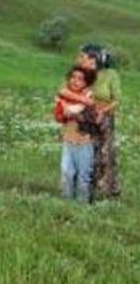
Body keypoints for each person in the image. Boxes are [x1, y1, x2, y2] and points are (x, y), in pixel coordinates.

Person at [62, 45, 122, 200]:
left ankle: (103, 193)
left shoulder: (110, 74)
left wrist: (102, 111)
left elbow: (116, 101)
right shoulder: (80, 73)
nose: (79, 59)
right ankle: (79, 193)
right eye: (80, 56)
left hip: (103, 119)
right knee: (81, 156)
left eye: (83, 57)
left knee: (102, 155)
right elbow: (65, 91)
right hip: (82, 118)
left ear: (95, 59)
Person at [54, 67, 98, 204]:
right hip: (68, 142)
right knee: (66, 172)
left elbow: (92, 118)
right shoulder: (64, 98)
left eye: (80, 79)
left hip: (84, 143)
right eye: (73, 77)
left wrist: (76, 115)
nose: (75, 81)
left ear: (86, 83)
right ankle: (67, 201)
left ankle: (82, 203)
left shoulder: (89, 96)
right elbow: (58, 117)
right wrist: (63, 114)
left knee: (83, 175)